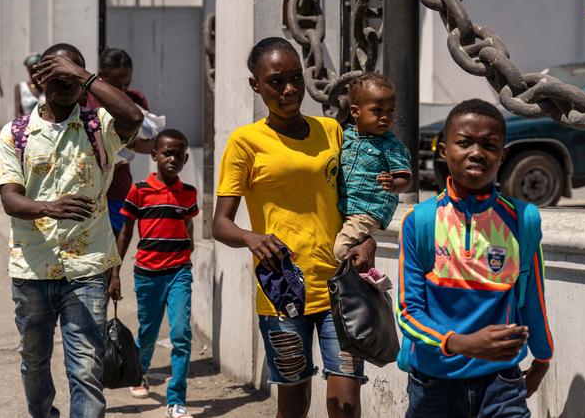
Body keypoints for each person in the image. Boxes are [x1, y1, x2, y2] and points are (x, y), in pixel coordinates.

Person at [212, 37, 376, 418]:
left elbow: (357, 198)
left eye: (295, 78)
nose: (289, 89)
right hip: (283, 288)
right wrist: (251, 238)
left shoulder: (332, 131)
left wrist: (366, 237)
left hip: (342, 283)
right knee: (293, 402)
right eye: (275, 81)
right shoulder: (245, 143)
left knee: (346, 402)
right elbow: (220, 224)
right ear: (255, 85)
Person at [0, 43, 143, 418]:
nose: (63, 83)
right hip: (32, 269)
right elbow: (10, 199)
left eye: (70, 75)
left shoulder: (98, 127)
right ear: (40, 79)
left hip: (87, 269)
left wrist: (85, 78)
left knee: (87, 369)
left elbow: (133, 117)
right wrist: (48, 208)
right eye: (54, 75)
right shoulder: (17, 133)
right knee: (34, 363)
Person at [397, 99, 554, 418]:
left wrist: (542, 357)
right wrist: (462, 343)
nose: (477, 152)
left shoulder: (523, 220)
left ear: (503, 155)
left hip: (502, 383)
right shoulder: (421, 222)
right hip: (434, 382)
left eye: (489, 144)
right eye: (464, 142)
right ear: (443, 150)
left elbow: (532, 297)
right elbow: (408, 312)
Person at [111, 129, 197, 418]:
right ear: (154, 155)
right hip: (147, 274)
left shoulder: (188, 193)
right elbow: (125, 232)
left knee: (181, 334)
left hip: (179, 272)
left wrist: (189, 246)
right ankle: (139, 372)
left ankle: (177, 399)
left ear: (185, 158)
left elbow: (188, 223)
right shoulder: (140, 191)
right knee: (147, 333)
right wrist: (115, 271)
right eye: (167, 153)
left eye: (178, 154)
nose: (172, 158)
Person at [334, 72, 412, 261]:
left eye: (390, 110)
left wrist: (393, 184)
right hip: (344, 206)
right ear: (355, 112)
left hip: (368, 210)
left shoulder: (391, 145)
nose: (385, 117)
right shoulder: (346, 136)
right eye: (377, 111)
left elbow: (406, 179)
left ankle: (369, 280)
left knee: (340, 250)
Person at [86, 48, 155, 236]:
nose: (124, 89)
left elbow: (151, 145)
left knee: (115, 246)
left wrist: (125, 141)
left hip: (118, 185)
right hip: (87, 187)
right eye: (117, 84)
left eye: (127, 82)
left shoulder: (135, 101)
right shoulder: (85, 100)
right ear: (101, 77)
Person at [14, 53, 44, 117]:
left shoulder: (48, 87)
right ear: (28, 71)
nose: (35, 73)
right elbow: (17, 113)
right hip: (27, 125)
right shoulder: (20, 87)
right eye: (32, 70)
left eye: (38, 70)